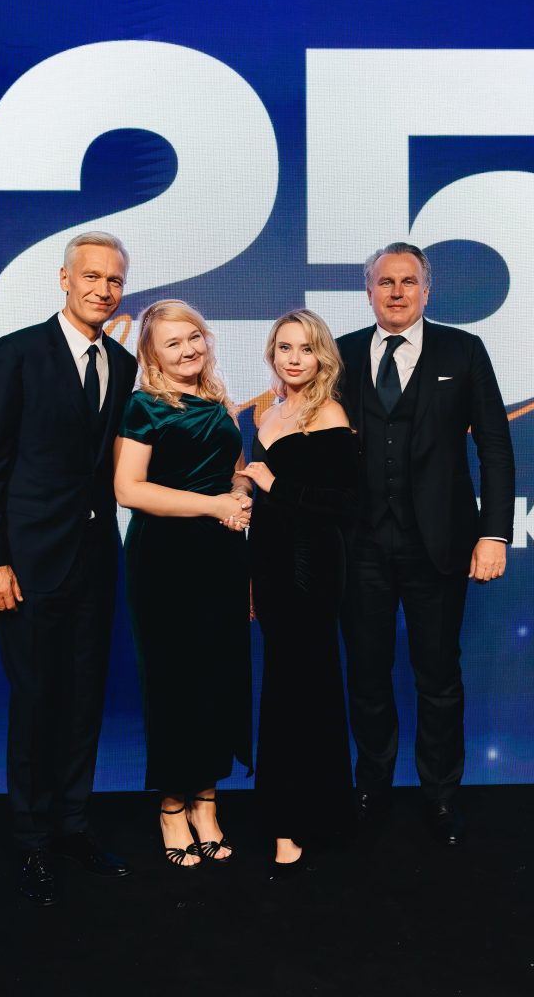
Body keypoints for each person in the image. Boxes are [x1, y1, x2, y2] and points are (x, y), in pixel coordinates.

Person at [0, 231, 139, 905]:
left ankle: (72, 825)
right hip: (27, 563)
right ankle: (32, 839)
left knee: (84, 698)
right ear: (64, 280)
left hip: (95, 562)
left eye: (114, 280)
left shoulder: (122, 363)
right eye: (91, 276)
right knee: (36, 699)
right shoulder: (15, 355)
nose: (103, 289)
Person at [336, 242, 515, 845]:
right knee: (366, 674)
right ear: (369, 291)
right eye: (385, 282)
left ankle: (440, 795)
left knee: (438, 677)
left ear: (426, 291)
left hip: (439, 546)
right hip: (359, 546)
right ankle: (371, 787)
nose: (396, 292)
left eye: (408, 281)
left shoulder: (464, 351)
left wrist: (493, 532)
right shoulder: (340, 353)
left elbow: (494, 446)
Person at [114, 300, 252, 869]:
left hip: (221, 556)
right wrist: (215, 505)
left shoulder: (220, 401)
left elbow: (235, 471)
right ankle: (172, 806)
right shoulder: (143, 406)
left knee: (217, 678)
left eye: (194, 336)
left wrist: (240, 493)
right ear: (152, 354)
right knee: (174, 682)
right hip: (165, 560)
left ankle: (206, 802)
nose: (188, 349)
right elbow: (129, 489)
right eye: (173, 343)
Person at [241, 309, 358, 879]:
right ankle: (297, 816)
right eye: (284, 347)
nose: (294, 358)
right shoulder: (269, 412)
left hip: (311, 569)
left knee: (300, 688)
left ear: (322, 357)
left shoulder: (329, 412)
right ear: (272, 353)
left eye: (306, 348)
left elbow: (344, 504)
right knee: (285, 687)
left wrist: (272, 481)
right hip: (271, 567)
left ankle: (296, 823)